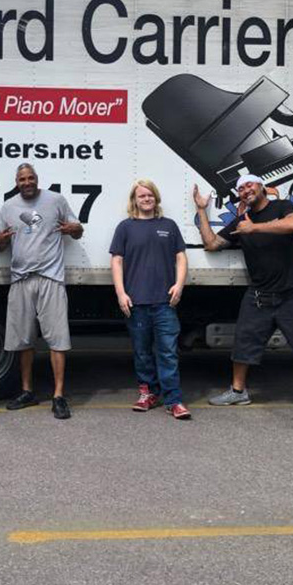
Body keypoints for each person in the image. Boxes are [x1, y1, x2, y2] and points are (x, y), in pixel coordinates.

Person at [193, 174, 293, 421]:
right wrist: (202, 210)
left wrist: (254, 228)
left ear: (262, 188)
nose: (246, 190)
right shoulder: (241, 221)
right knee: (243, 344)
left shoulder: (281, 207)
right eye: (241, 188)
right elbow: (212, 243)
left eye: (250, 185)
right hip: (259, 295)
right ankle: (238, 392)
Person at [0, 163, 83, 419]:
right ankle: (27, 391)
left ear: (37, 179)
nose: (27, 182)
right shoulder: (9, 206)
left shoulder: (55, 200)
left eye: (31, 178)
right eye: (22, 179)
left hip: (50, 278)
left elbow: (77, 230)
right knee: (24, 340)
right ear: (16, 181)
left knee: (57, 340)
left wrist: (73, 229)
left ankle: (58, 396)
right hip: (21, 279)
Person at [110, 179, 190, 420]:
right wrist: (120, 292)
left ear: (156, 198)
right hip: (136, 302)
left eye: (150, 195)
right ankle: (148, 393)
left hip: (164, 302)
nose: (146, 199)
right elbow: (116, 261)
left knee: (167, 352)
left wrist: (179, 284)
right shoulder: (125, 227)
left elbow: (181, 257)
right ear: (134, 200)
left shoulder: (169, 225)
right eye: (141, 196)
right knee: (143, 352)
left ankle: (173, 400)